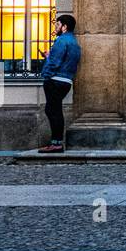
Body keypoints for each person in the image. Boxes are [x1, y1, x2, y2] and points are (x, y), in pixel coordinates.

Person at [38, 14, 81, 154]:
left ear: (64, 27)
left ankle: (56, 143)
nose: (55, 28)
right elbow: (66, 61)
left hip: (55, 81)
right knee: (54, 110)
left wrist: (46, 74)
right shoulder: (74, 42)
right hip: (66, 81)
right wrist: (49, 56)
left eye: (57, 25)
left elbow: (55, 63)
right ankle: (56, 142)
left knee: (52, 111)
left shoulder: (61, 41)